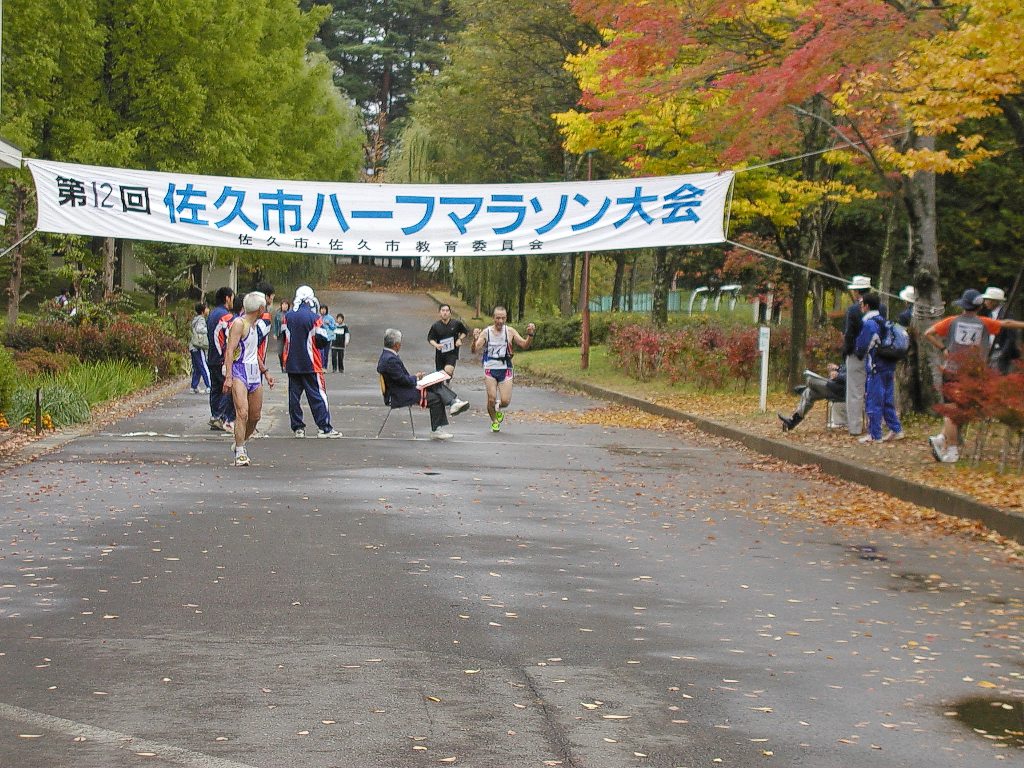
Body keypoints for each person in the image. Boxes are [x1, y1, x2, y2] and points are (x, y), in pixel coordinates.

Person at [923, 288, 1024, 462]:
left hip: (952, 370)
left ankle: (948, 445)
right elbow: (1006, 322)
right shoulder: (984, 323)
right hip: (973, 372)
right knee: (961, 410)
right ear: (979, 306)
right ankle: (946, 443)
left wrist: (943, 348)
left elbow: (928, 333)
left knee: (952, 410)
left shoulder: (951, 321)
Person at [377, 328, 470, 440]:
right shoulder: (390, 359)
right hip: (400, 394)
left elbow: (400, 378)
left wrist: (416, 378)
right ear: (396, 345)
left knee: (435, 383)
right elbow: (402, 380)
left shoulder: (387, 356)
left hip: (400, 389)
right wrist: (416, 378)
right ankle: (437, 428)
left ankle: (453, 402)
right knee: (436, 398)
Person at [282, 285, 341, 438]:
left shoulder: (287, 316)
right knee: (317, 395)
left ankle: (298, 427)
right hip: (311, 363)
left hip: (292, 363)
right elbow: (322, 340)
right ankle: (324, 427)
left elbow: (283, 338)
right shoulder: (315, 318)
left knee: (294, 397)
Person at [222, 292, 274, 466]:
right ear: (260, 309)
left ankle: (240, 441)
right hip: (239, 371)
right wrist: (228, 377)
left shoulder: (254, 325)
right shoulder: (239, 324)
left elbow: (253, 352)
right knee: (242, 413)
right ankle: (240, 451)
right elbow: (230, 350)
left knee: (255, 416)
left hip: (254, 373)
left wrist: (265, 372)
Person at [471, 306, 536, 433]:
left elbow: (524, 345)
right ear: (493, 318)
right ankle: (494, 421)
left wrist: (530, 335)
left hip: (505, 368)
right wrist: (474, 339)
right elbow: (474, 350)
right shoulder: (486, 332)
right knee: (491, 398)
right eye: (497, 318)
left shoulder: (510, 331)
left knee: (505, 401)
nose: (500, 321)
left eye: (503, 318)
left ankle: (498, 406)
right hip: (490, 368)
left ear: (506, 318)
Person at [854, 293, 904, 443]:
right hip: (889, 364)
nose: (861, 307)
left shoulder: (869, 323)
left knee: (874, 400)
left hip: (876, 366)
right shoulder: (883, 321)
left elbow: (861, 346)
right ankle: (896, 429)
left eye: (862, 304)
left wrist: (859, 351)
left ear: (867, 306)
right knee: (887, 400)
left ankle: (875, 434)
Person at [841, 275, 873, 436]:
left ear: (857, 292)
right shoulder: (880, 308)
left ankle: (855, 427)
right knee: (873, 390)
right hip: (875, 355)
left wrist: (845, 352)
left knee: (855, 391)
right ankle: (874, 424)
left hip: (856, 354)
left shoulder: (854, 310)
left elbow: (849, 335)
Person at [777, 363, 846, 431]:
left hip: (839, 391)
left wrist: (837, 375)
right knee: (809, 393)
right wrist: (837, 368)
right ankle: (792, 422)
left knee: (810, 380)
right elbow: (844, 371)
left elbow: (849, 377)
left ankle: (805, 388)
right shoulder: (848, 360)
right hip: (834, 386)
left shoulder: (852, 360)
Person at [206, 287, 235, 432]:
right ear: (227, 298)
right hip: (221, 358)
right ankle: (220, 416)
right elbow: (230, 338)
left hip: (212, 356)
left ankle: (214, 415)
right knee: (227, 388)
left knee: (215, 389)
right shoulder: (226, 316)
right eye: (232, 298)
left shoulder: (212, 314)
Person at [977, 286, 1019, 374]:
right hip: (992, 351)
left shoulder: (1007, 314)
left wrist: (1002, 354)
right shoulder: (991, 314)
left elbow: (1011, 337)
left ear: (994, 301)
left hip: (1001, 352)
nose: (985, 302)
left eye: (987, 300)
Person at [428, 304, 470, 380]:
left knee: (448, 370)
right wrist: (436, 345)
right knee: (440, 375)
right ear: (439, 313)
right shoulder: (435, 326)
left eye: (447, 311)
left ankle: (449, 376)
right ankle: (445, 382)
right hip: (440, 354)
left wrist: (459, 339)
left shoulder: (456, 323)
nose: (445, 313)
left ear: (450, 313)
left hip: (452, 353)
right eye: (443, 311)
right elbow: (430, 338)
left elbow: (465, 332)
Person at [188, 302, 211, 394]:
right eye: (206, 308)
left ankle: (193, 386)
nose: (208, 310)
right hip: (198, 346)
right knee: (203, 365)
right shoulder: (201, 319)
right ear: (202, 311)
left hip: (193, 346)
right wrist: (208, 329)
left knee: (197, 367)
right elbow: (199, 329)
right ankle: (209, 385)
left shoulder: (195, 319)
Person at [273, 300, 290, 372]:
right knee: (280, 352)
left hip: (288, 334)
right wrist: (275, 333)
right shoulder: (278, 314)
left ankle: (287, 366)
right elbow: (275, 324)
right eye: (283, 304)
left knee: (288, 351)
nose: (284, 306)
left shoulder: (290, 314)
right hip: (280, 334)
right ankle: (282, 365)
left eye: (286, 304)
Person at [319, 305, 337, 369]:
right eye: (322, 309)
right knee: (320, 353)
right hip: (320, 337)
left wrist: (329, 324)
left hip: (328, 338)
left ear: (326, 310)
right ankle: (320, 366)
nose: (323, 310)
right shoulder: (318, 317)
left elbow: (334, 327)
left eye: (324, 309)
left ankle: (325, 367)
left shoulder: (330, 318)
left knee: (326, 353)